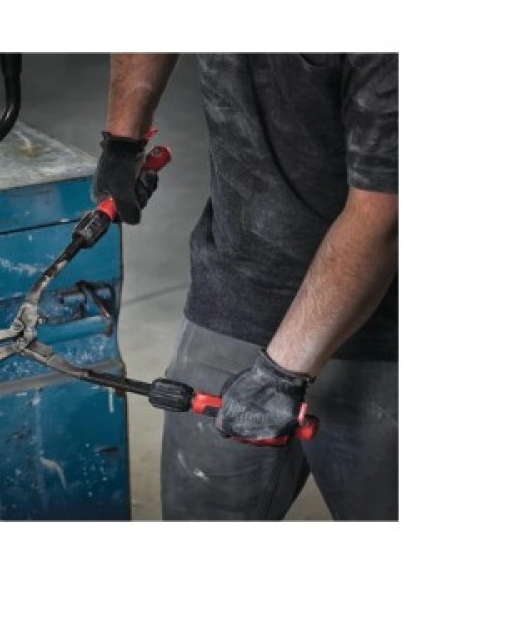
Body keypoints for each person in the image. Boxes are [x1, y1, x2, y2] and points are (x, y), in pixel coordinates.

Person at [93, 54, 398, 521]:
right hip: (234, 289)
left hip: (383, 331)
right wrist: (123, 138)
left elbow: (383, 218)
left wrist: (282, 373)